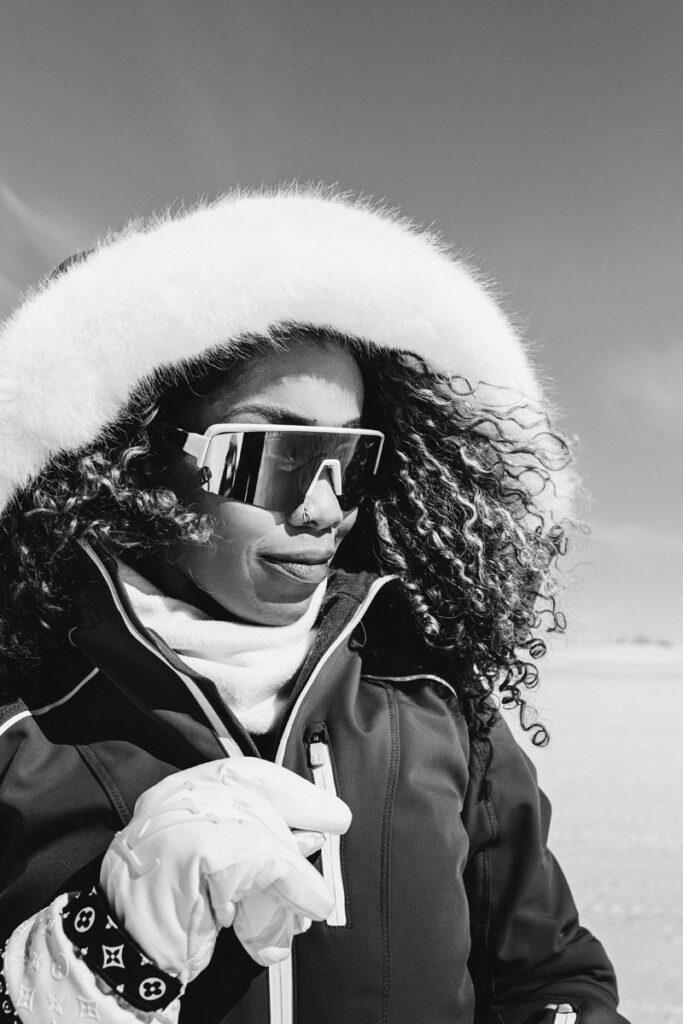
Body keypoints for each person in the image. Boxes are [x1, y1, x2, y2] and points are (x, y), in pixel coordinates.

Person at [0, 189, 628, 1024]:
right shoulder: (22, 727)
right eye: (279, 456)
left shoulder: (437, 705)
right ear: (137, 460)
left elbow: (548, 977)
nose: (326, 509)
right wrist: (85, 963)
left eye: (354, 462)